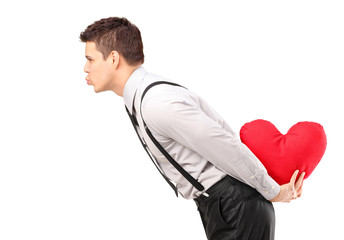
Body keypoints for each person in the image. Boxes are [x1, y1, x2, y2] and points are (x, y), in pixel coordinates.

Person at [79, 17, 305, 240]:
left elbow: (225, 146)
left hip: (235, 205)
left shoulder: (157, 103)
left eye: (90, 59)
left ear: (114, 59)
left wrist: (272, 190)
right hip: (220, 206)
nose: (85, 68)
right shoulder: (141, 99)